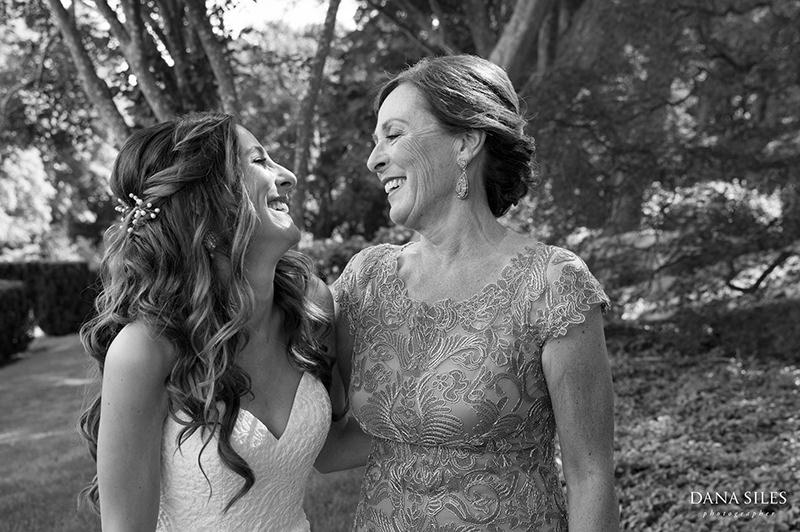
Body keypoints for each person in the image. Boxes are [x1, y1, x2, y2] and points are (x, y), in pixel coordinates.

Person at [329, 55, 620, 531]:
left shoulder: (551, 284)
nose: (374, 159)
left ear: (465, 142)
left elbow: (591, 478)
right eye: (375, 141)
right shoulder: (365, 280)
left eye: (393, 135)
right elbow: (330, 443)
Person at [77, 112, 337, 532]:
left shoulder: (311, 309)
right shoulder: (145, 349)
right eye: (259, 161)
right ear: (205, 206)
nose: (287, 176)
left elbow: (341, 444)